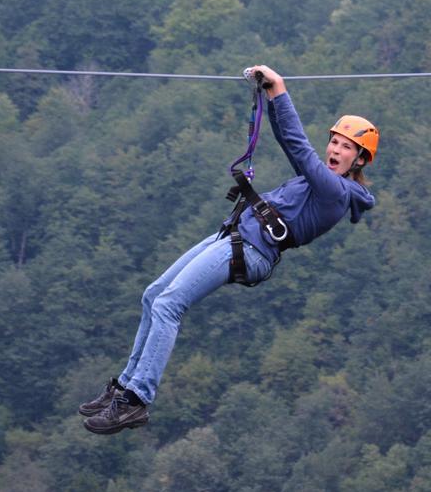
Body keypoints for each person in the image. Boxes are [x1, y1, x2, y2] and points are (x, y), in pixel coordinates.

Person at [80, 64, 378, 434]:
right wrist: (270, 96)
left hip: (252, 249)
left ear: (359, 160)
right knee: (153, 295)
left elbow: (301, 150)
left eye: (346, 147)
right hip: (237, 232)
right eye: (334, 141)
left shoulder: (335, 193)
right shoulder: (321, 182)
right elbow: (290, 142)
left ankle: (137, 399)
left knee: (170, 304)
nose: (335, 149)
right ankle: (124, 386)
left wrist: (281, 89)